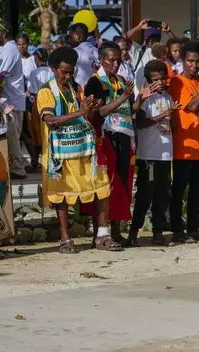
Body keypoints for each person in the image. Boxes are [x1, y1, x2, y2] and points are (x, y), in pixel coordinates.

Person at [37, 46, 123, 253]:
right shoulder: (46, 92)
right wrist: (80, 111)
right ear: (54, 69)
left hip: (84, 150)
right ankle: (65, 240)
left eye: (71, 72)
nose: (68, 76)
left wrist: (92, 109)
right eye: (63, 72)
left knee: (102, 188)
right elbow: (50, 121)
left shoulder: (77, 89)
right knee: (62, 196)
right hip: (59, 155)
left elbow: (90, 118)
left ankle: (102, 235)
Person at [82, 41, 136, 244]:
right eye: (111, 60)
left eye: (118, 60)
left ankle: (115, 230)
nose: (115, 64)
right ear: (101, 60)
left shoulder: (122, 80)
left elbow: (131, 109)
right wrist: (123, 98)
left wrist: (142, 98)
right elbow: (99, 112)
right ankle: (100, 231)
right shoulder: (95, 82)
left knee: (121, 182)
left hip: (123, 135)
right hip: (105, 137)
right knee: (105, 183)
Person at [169, 41, 199, 243]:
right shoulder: (178, 82)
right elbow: (192, 105)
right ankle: (177, 230)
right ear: (183, 61)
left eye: (197, 61)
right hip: (184, 146)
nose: (194, 65)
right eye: (190, 61)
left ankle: (192, 228)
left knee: (196, 192)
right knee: (180, 190)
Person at [129, 60, 180, 247]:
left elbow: (173, 126)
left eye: (163, 78)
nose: (160, 83)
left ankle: (158, 233)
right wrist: (165, 113)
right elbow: (141, 123)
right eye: (156, 79)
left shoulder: (168, 97)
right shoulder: (144, 98)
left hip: (166, 155)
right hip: (148, 156)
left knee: (162, 195)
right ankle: (133, 233)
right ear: (149, 79)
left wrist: (172, 113)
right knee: (144, 196)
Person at [0, 23, 28, 179]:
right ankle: (16, 164)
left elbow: (1, 73)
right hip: (6, 99)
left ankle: (18, 169)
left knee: (12, 135)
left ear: (4, 33)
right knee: (7, 135)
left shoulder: (11, 49)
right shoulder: (6, 50)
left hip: (12, 99)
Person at [25, 47, 52, 170]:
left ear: (36, 59)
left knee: (35, 134)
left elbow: (32, 92)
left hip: (37, 105)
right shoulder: (52, 71)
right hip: (51, 104)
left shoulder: (34, 73)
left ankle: (35, 162)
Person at [68, 22, 99, 90]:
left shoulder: (75, 52)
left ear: (78, 36)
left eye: (70, 37)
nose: (69, 40)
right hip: (99, 92)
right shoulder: (97, 51)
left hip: (82, 94)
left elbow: (69, 75)